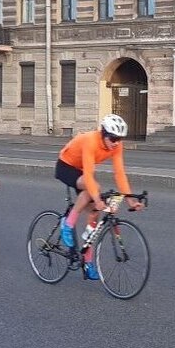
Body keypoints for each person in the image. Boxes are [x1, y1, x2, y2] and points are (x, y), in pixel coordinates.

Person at [55, 114, 143, 280]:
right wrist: (97, 199)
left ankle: (87, 262)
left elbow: (119, 173)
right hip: (66, 166)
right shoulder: (91, 140)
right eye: (113, 138)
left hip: (81, 171)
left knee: (94, 214)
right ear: (103, 134)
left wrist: (130, 199)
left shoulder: (116, 146)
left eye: (119, 139)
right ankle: (68, 223)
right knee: (95, 189)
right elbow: (89, 175)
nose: (116, 142)